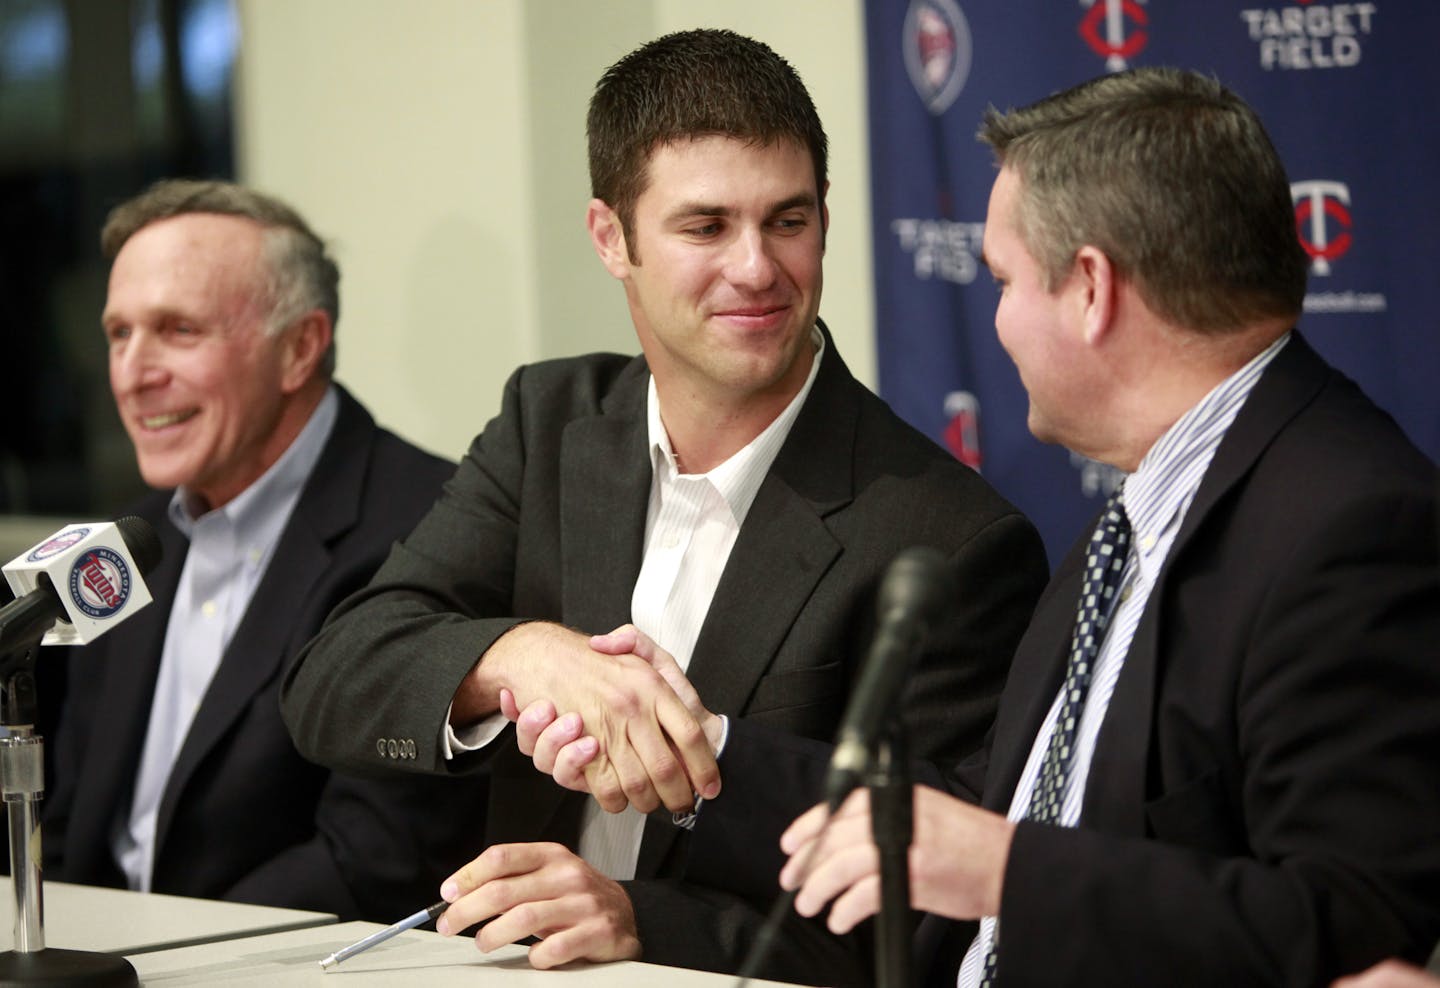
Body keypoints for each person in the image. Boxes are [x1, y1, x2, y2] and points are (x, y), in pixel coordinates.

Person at [514, 67, 1440, 985]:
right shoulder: (1142, 515)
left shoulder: (1349, 526)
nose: (996, 323)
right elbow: (953, 814)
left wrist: (1004, 869)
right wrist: (700, 751)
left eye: (1002, 280)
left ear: (1090, 291)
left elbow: (1360, 927)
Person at [279, 28, 1048, 986]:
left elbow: (930, 910)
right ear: (612, 238)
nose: (759, 269)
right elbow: (333, 679)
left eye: (788, 220)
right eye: (705, 227)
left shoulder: (949, 535)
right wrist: (516, 655)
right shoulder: (547, 421)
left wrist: (644, 920)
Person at [44, 180, 487, 921]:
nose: (133, 372)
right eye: (119, 334)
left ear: (298, 348)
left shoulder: (437, 525)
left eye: (178, 330)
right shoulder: (124, 542)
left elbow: (378, 858)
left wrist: (155, 963)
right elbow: (66, 822)